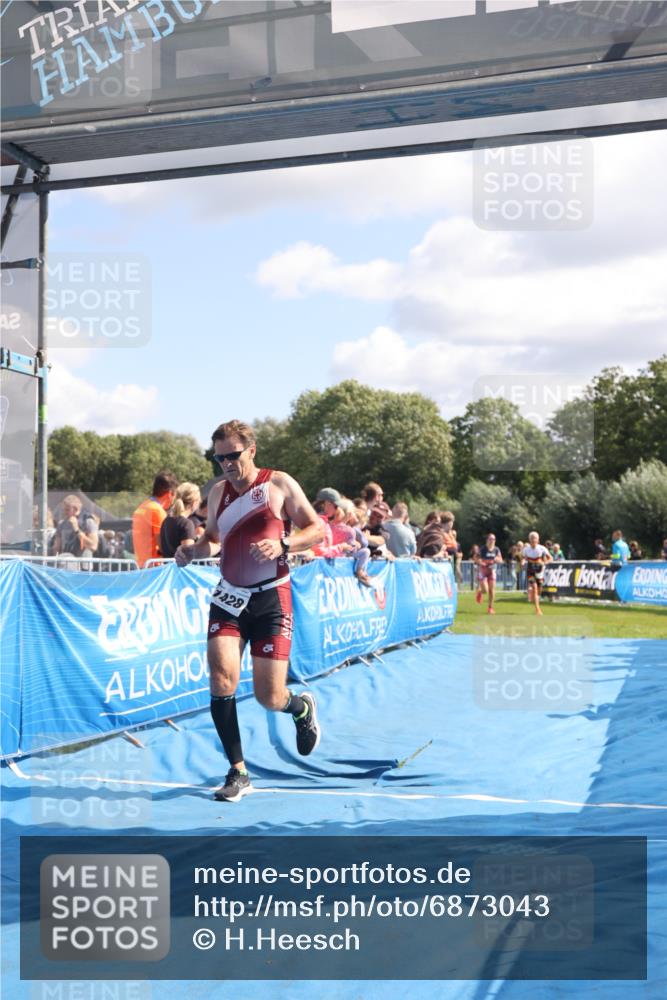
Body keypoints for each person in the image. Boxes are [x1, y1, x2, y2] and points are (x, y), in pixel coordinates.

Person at [175, 419, 324, 803]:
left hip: (272, 598)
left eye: (232, 455)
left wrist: (285, 544)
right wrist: (192, 550)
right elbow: (212, 541)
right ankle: (238, 771)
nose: (225, 463)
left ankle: (300, 706)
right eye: (218, 457)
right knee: (222, 679)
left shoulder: (279, 484)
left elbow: (317, 528)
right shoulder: (217, 493)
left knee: (268, 696)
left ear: (251, 450)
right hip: (229, 598)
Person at [132, 471, 178, 568]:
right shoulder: (157, 511)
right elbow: (162, 545)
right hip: (154, 566)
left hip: (141, 564)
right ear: (170, 494)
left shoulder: (143, 506)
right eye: (175, 495)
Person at [159, 482, 202, 559]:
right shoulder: (186, 524)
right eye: (199, 500)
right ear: (194, 502)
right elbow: (188, 555)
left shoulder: (166, 520)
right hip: (182, 570)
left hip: (169, 569)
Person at [522, 531, 552, 616]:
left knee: (539, 591)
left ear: (538, 540)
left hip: (540, 572)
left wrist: (544, 563)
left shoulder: (542, 548)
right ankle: (537, 609)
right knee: (534, 588)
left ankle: (534, 597)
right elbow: (523, 558)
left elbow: (550, 558)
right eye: (531, 538)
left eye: (535, 538)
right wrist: (523, 562)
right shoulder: (526, 549)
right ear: (529, 539)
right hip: (530, 571)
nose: (533, 540)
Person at [475, 533, 503, 615]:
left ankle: (490, 608)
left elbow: (501, 559)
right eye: (490, 539)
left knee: (492, 590)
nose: (492, 541)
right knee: (485, 590)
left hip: (492, 571)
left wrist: (498, 559)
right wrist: (481, 562)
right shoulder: (483, 549)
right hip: (483, 571)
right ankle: (480, 591)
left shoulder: (496, 549)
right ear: (487, 540)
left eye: (493, 539)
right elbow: (476, 558)